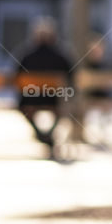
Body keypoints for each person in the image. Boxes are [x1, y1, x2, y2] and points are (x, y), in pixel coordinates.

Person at [15, 17, 74, 159]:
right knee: (62, 105)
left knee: (23, 106)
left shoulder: (27, 55)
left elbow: (17, 75)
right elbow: (71, 75)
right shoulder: (61, 56)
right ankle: (47, 136)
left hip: (29, 100)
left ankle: (42, 135)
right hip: (54, 100)